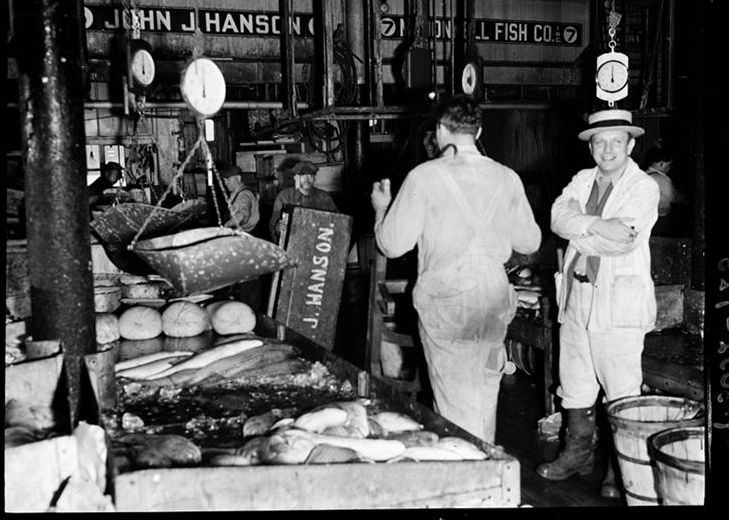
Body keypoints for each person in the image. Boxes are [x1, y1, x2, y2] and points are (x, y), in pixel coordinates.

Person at [370, 94, 541, 444]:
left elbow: (392, 244)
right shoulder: (506, 177)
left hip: (447, 302)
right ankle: (487, 464)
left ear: (440, 129)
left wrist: (381, 209)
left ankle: (472, 474)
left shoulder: (425, 177)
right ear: (478, 130)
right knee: (484, 390)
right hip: (493, 300)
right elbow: (529, 243)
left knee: (453, 400)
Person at [536, 109, 659, 499]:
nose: (607, 149)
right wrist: (593, 225)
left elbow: (623, 238)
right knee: (575, 381)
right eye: (599, 142)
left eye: (616, 141)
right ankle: (576, 454)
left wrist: (580, 227)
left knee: (621, 388)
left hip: (618, 302)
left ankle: (618, 471)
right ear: (591, 146)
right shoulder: (581, 179)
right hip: (577, 294)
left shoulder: (643, 187)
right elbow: (556, 218)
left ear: (631, 144)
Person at [269, 159, 338, 242]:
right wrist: (278, 228)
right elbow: (273, 224)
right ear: (295, 177)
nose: (307, 179)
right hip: (293, 242)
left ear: (314, 178)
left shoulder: (324, 197)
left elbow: (336, 221)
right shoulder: (285, 196)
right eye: (303, 176)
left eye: (310, 175)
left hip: (318, 242)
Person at [643, 144, 677, 236]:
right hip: (659, 222)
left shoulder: (641, 177)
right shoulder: (664, 180)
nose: (669, 168)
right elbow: (669, 200)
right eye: (669, 165)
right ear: (661, 164)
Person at [219, 164, 260, 232]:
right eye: (224, 180)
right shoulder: (235, 193)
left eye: (228, 179)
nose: (225, 183)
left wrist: (227, 225)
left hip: (247, 236)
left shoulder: (244, 195)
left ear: (238, 178)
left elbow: (243, 214)